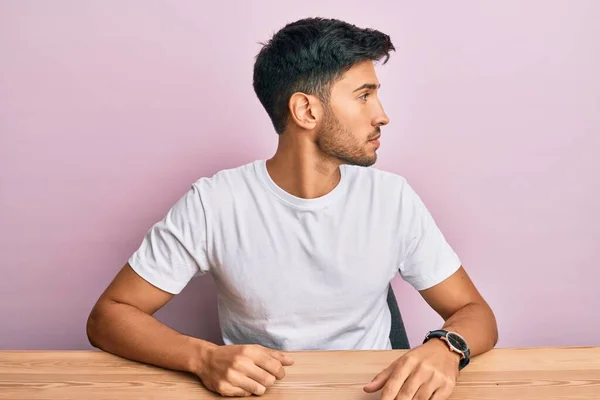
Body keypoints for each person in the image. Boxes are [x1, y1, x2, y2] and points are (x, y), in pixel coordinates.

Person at [87, 17, 498, 400]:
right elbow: (109, 316)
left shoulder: (392, 198)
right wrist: (203, 358)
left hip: (371, 391)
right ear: (306, 110)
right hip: (266, 393)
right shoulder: (214, 203)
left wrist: (447, 347)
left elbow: (474, 312)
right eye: (364, 96)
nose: (383, 116)